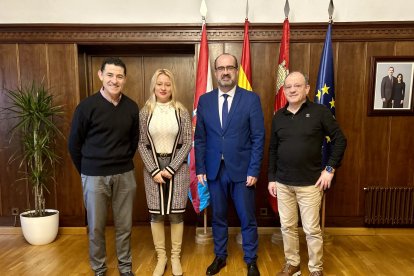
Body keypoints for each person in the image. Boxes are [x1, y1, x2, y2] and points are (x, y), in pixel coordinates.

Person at [268, 71, 347, 276]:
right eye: (288, 87)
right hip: (283, 183)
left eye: (297, 86)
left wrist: (329, 169)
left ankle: (315, 269)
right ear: (283, 90)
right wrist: (271, 178)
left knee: (312, 230)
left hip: (311, 184)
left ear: (307, 89)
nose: (292, 90)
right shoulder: (278, 116)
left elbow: (340, 140)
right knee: (287, 227)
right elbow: (273, 150)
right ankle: (292, 263)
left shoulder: (320, 112)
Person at [194, 53, 265, 276]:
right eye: (221, 68)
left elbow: (258, 137)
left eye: (230, 68)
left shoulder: (251, 99)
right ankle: (220, 256)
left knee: (247, 218)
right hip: (214, 170)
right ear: (215, 73)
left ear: (236, 71)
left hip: (243, 171)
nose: (225, 72)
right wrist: (201, 168)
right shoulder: (204, 100)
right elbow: (201, 138)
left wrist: (254, 169)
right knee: (218, 217)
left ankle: (251, 260)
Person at [68, 57, 139, 276]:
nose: (114, 80)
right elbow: (74, 145)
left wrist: (121, 162)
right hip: (94, 176)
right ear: (101, 75)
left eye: (119, 76)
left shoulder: (131, 107)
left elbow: (133, 142)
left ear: (124, 79)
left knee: (124, 226)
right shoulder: (86, 107)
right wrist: (87, 172)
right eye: (110, 75)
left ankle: (125, 267)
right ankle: (99, 269)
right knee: (96, 227)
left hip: (125, 175)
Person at [138, 69, 191, 276]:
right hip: (152, 167)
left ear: (172, 87)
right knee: (156, 214)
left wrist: (170, 168)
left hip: (177, 168)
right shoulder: (145, 112)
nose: (163, 88)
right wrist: (154, 170)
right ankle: (162, 258)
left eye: (167, 84)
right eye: (159, 83)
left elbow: (187, 142)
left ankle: (175, 257)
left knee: (176, 214)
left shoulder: (181, 111)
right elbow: (141, 143)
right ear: (154, 85)